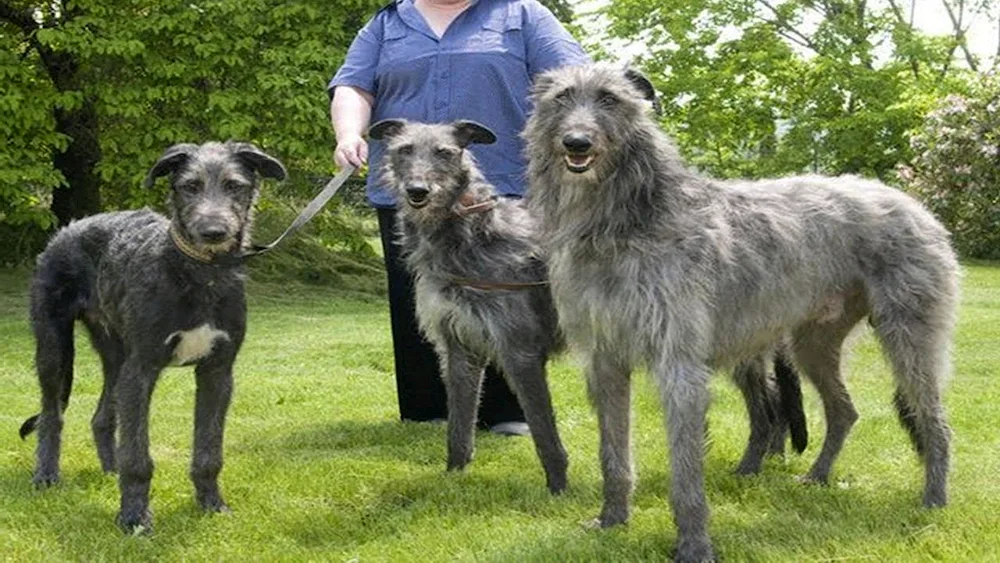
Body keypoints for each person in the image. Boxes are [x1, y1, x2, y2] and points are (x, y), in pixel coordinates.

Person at [328, 0, 590, 435]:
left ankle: (507, 413)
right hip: (410, 192)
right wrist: (349, 133)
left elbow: (572, 80)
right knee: (422, 302)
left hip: (505, 190)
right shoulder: (387, 23)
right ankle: (427, 412)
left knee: (507, 303)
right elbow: (353, 86)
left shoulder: (522, 15)